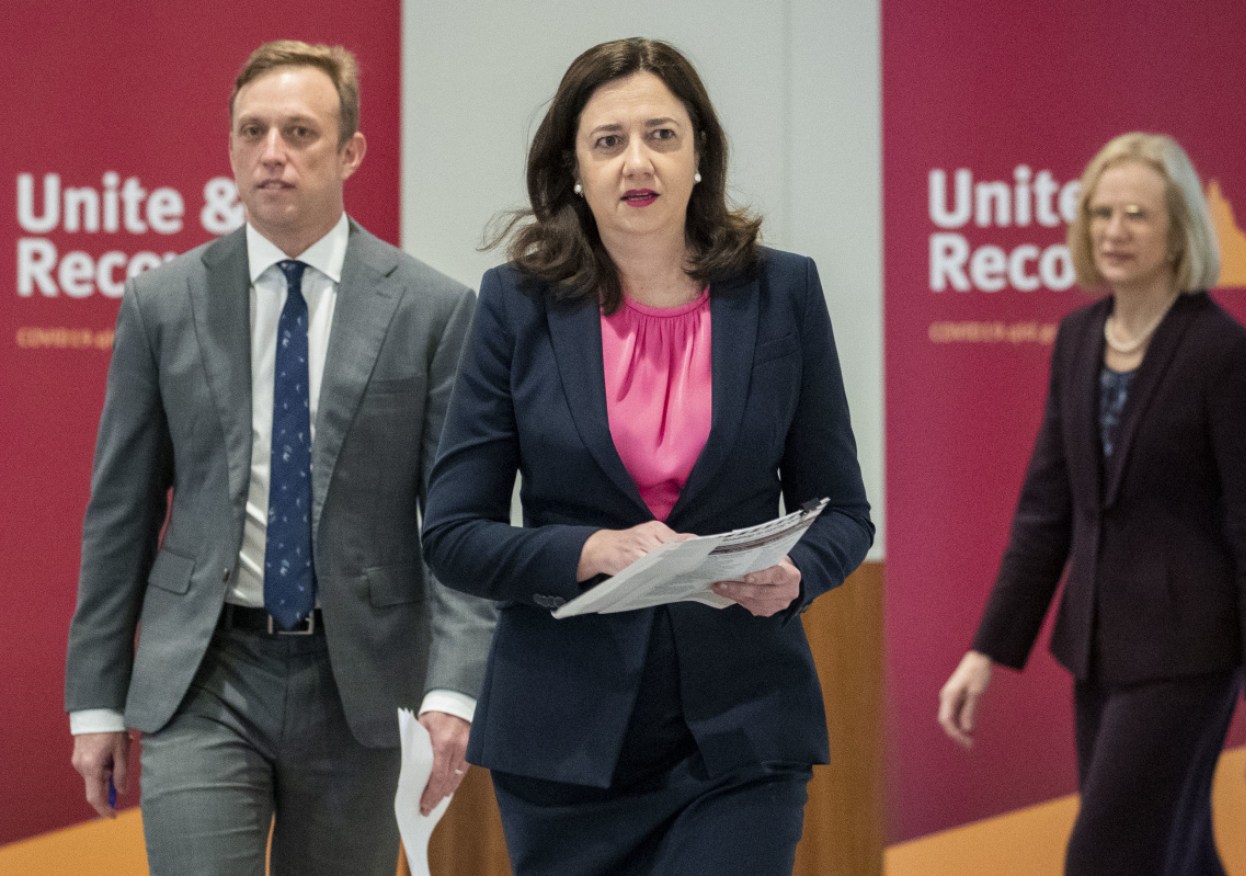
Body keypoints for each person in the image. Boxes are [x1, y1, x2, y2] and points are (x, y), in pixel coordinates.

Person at [421, 36, 873, 876]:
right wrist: (594, 550)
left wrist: (797, 573)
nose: (639, 161)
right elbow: (453, 533)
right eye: (608, 141)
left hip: (741, 728)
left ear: (700, 152)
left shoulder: (783, 294)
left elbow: (844, 512)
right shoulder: (515, 306)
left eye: (663, 135)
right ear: (573, 167)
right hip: (565, 741)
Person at [64, 40, 496, 875]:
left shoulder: (433, 311)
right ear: (230, 147)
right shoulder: (164, 302)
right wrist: (93, 700)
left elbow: (458, 524)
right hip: (205, 674)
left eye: (299, 132)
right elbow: (119, 514)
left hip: (363, 683)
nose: (272, 154)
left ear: (349, 152)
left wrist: (452, 689)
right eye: (252, 131)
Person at [938, 132, 1246, 875]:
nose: (1113, 231)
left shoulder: (1223, 354)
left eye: (1136, 214)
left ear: (1177, 233)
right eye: (1101, 213)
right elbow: (1045, 513)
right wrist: (983, 653)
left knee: (1105, 857)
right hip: (1098, 648)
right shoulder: (1076, 338)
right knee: (1179, 854)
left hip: (1189, 657)